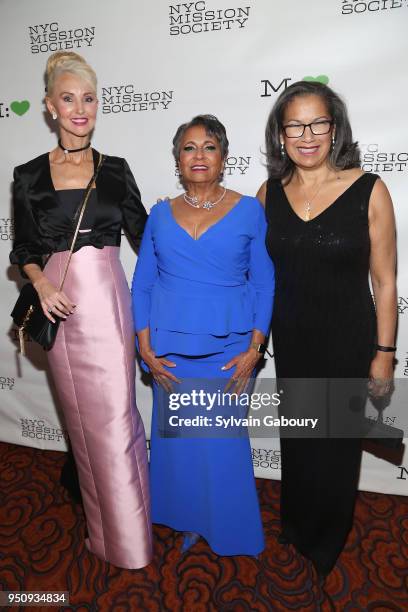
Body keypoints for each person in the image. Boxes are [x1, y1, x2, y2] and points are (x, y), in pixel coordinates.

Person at [10, 51, 152, 569]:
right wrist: (41, 283)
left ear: (97, 106)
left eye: (87, 99)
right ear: (49, 108)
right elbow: (22, 249)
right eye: (67, 99)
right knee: (83, 429)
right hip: (61, 312)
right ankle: (102, 532)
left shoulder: (115, 171)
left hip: (111, 309)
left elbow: (146, 239)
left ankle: (130, 540)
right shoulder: (27, 177)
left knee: (117, 419)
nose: (79, 108)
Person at [257, 81, 397, 578]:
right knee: (298, 438)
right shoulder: (268, 193)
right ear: (281, 135)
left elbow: (384, 281)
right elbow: (253, 272)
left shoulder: (369, 189)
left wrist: (384, 353)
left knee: (336, 447)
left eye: (318, 123)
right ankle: (296, 525)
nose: (307, 135)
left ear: (334, 128)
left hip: (347, 341)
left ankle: (325, 541)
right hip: (291, 340)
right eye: (295, 125)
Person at [131, 115, 275, 556]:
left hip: (230, 351)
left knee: (220, 444)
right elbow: (143, 284)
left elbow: (265, 281)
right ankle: (188, 519)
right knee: (180, 444)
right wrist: (144, 347)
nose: (198, 155)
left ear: (224, 157)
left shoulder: (250, 209)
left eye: (208, 147)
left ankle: (229, 527)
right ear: (178, 159)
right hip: (170, 350)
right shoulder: (158, 214)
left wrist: (256, 348)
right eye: (189, 147)